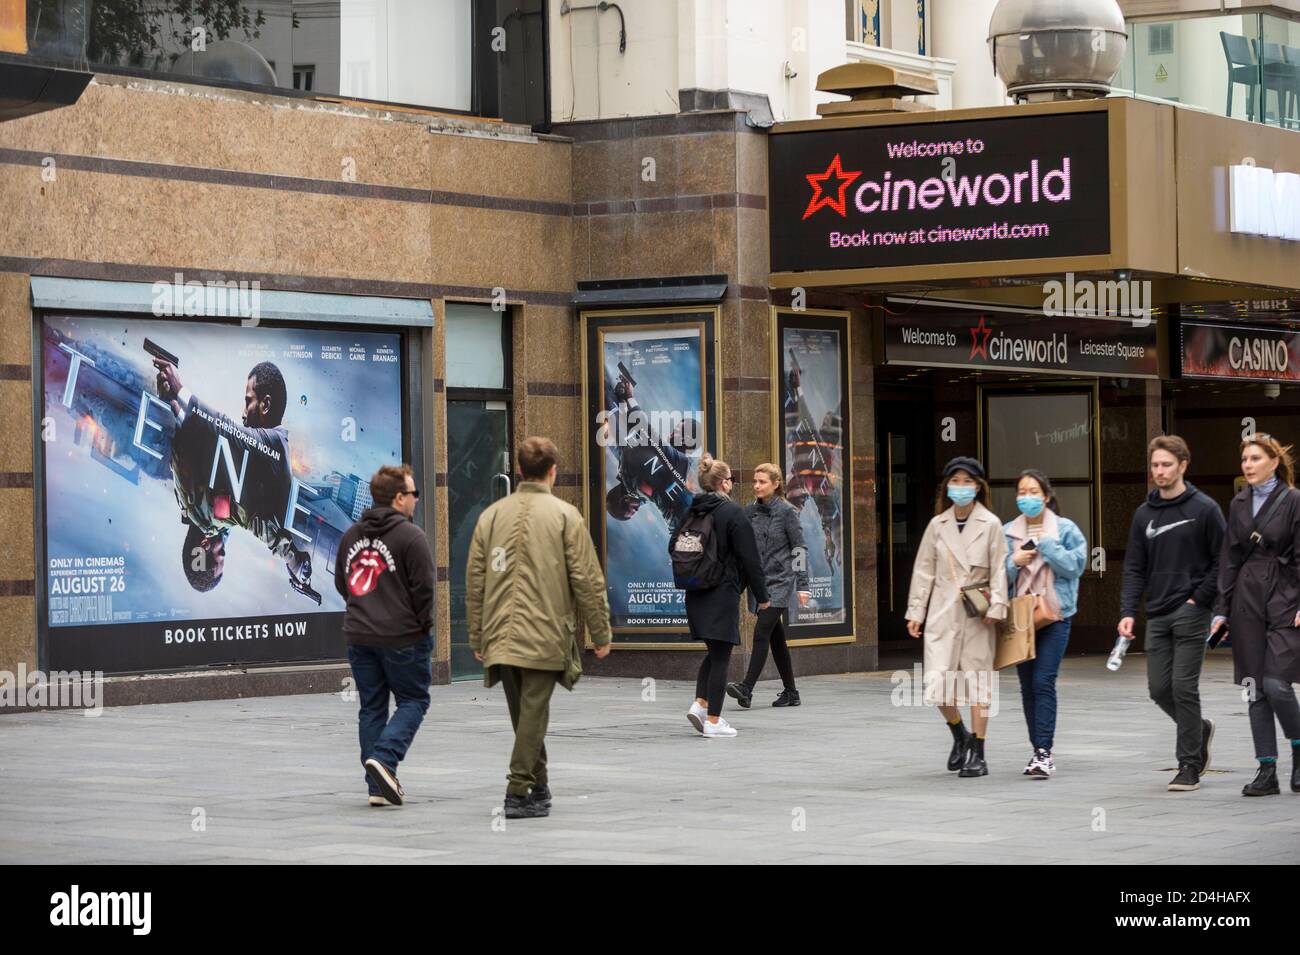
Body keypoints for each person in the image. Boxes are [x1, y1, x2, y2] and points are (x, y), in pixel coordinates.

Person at [467, 437, 613, 819]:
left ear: (518, 470)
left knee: (526, 715)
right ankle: (517, 790)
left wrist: (476, 633)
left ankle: (540, 786)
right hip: (546, 631)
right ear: (553, 471)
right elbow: (587, 578)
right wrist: (600, 633)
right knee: (531, 714)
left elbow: (476, 579)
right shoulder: (565, 515)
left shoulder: (491, 515)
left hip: (500, 631)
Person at [1118, 435, 1225, 793]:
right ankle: (1200, 730)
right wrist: (1128, 611)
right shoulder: (1144, 515)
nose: (1159, 471)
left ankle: (1189, 765)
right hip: (1157, 612)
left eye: (1166, 464)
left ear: (1183, 465)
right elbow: (1134, 566)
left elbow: (1222, 559)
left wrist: (1199, 599)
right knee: (1159, 688)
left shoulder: (1205, 509)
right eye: (1155, 465)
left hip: (1192, 611)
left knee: (1183, 687)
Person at [155, 357, 312, 595]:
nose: (224, 547)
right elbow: (184, 441)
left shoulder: (213, 516)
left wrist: (291, 558)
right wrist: (172, 401)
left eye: (221, 553)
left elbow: (253, 521)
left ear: (205, 544)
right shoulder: (185, 504)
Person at [334, 464, 435, 807]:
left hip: (359, 636)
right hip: (403, 637)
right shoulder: (412, 537)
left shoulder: (351, 536)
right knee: (414, 700)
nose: (416, 500)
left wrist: (363, 611)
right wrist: (422, 626)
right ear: (397, 498)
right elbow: (424, 591)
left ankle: (377, 787)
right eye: (412, 494)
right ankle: (386, 760)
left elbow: (342, 583)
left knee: (372, 708)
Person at [905, 456, 1008, 778]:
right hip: (942, 614)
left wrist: (997, 607)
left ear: (978, 487)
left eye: (967, 482)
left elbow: (1000, 568)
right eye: (955, 481)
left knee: (978, 684)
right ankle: (959, 733)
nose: (961, 488)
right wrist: (916, 613)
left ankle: (978, 751)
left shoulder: (990, 524)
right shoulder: (937, 525)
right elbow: (924, 572)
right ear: (946, 487)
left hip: (978, 617)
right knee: (937, 684)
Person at [1211, 434, 1300, 797]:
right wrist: (1221, 611)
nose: (1247, 464)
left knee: (1277, 684)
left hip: (1284, 596)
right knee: (1254, 689)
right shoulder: (1238, 503)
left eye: (1254, 458)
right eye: (1244, 458)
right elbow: (1229, 559)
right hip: (1246, 600)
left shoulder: (1294, 501)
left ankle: (1298, 750)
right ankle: (1267, 769)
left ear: (1274, 462)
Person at [1003, 469, 1087, 779]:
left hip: (1054, 615)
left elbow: (1076, 567)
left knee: (1043, 681)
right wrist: (1013, 562)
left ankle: (1044, 753)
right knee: (1027, 687)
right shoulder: (1008, 532)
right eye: (1022, 492)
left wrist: (1048, 546)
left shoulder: (1064, 529)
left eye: (1033, 492)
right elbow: (995, 575)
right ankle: (1036, 748)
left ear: (1046, 496)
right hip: (1020, 620)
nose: (1027, 498)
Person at [680, 455, 770, 738]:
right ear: (723, 483)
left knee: (715, 650)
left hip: (696, 590)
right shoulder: (732, 513)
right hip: (721, 592)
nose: (733, 483)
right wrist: (762, 596)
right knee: (721, 657)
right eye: (731, 478)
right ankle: (714, 721)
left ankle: (700, 704)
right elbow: (751, 558)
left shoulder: (693, 510)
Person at [726, 462, 810, 709]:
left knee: (762, 631)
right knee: (776, 638)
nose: (757, 486)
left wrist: (802, 585)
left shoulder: (787, 512)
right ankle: (791, 693)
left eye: (762, 482)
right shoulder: (749, 510)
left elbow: (799, 548)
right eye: (755, 481)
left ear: (776, 484)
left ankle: (746, 688)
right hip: (758, 582)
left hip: (781, 581)